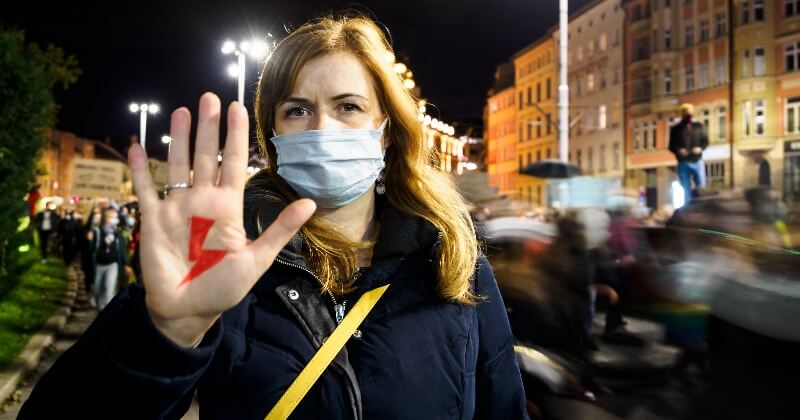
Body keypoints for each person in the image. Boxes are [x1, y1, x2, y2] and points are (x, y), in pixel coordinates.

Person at [20, 16, 528, 419]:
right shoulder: (223, 262)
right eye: (297, 109)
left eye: (348, 106)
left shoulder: (450, 262)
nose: (322, 127)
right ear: (274, 135)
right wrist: (167, 334)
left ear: (387, 131)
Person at [87, 207, 129, 311]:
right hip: (99, 264)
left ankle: (105, 313)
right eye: (113, 217)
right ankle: (99, 306)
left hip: (112, 265)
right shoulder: (97, 232)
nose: (116, 219)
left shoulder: (117, 234)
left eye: (116, 217)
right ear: (106, 218)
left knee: (109, 290)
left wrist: (126, 264)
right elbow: (89, 250)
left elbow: (122, 249)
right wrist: (88, 240)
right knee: (97, 289)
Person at [669, 103, 709, 201]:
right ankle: (688, 211)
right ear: (682, 114)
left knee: (701, 188)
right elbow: (671, 146)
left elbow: (705, 142)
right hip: (683, 162)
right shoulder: (675, 129)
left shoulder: (699, 126)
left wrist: (700, 148)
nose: (688, 113)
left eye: (689, 111)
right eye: (685, 111)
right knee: (686, 191)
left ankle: (701, 209)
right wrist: (679, 150)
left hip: (697, 160)